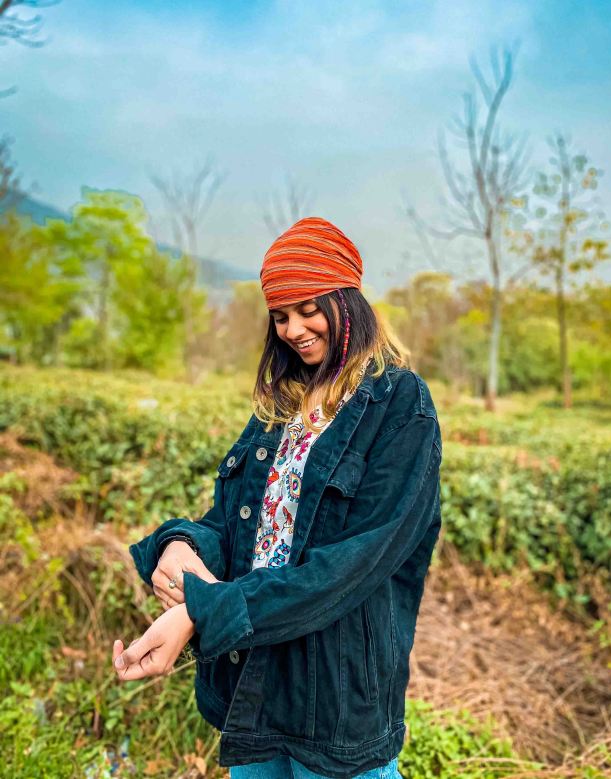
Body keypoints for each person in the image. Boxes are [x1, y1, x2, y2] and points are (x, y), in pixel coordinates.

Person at [113, 216, 443, 779]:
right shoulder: (282, 404)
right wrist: (182, 545)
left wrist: (203, 611)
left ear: (347, 300)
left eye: (308, 309)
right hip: (254, 686)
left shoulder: (399, 405)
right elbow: (236, 524)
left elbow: (352, 565)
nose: (293, 329)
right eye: (280, 315)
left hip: (334, 700)